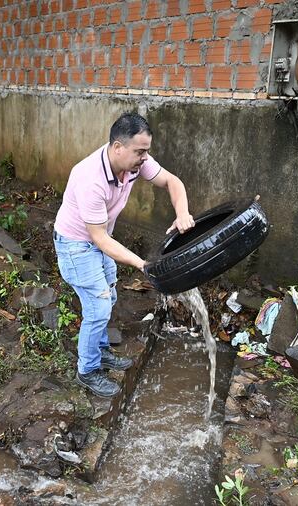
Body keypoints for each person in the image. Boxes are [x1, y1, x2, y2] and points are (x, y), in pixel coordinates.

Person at [53, 112, 195, 398]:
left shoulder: (133, 164)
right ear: (118, 147)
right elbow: (100, 238)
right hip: (76, 246)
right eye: (140, 152)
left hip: (98, 241)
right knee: (98, 307)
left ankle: (101, 351)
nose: (145, 158)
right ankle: (87, 370)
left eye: (146, 152)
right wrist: (143, 264)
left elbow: (172, 181)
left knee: (110, 295)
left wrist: (182, 214)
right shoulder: (90, 179)